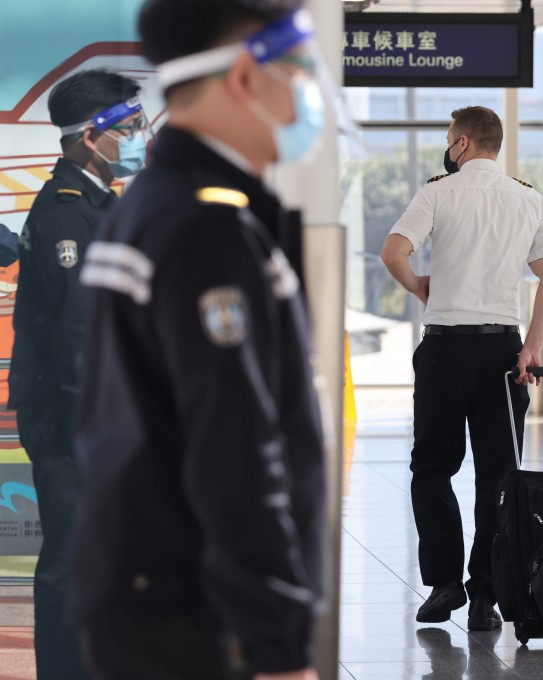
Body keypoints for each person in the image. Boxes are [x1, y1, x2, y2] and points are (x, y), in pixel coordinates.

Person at [69, 2, 328, 679]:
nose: (309, 91)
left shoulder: (148, 207)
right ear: (246, 77)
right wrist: (278, 641)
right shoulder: (208, 230)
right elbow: (235, 450)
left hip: (147, 594)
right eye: (298, 69)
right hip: (200, 618)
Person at [380, 106, 543, 631]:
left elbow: (393, 252)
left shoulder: (437, 192)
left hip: (444, 351)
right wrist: (530, 348)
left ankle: (444, 585)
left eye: (447, 139)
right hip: (503, 354)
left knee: (432, 468)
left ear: (461, 143)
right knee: (499, 478)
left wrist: (419, 285)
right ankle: (487, 592)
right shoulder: (528, 198)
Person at [7, 67, 146, 680]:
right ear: (94, 135)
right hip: (70, 413)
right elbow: (75, 336)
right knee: (67, 555)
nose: (143, 133)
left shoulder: (94, 202)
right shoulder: (67, 212)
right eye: (133, 125)